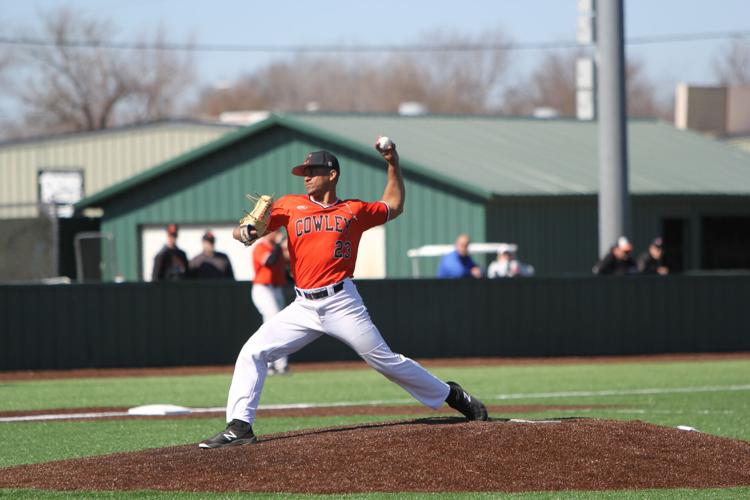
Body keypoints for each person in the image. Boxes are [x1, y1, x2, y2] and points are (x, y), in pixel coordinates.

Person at [199, 141, 488, 449]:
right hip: (303, 305)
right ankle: (240, 426)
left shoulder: (353, 210)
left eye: (313, 171)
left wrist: (393, 164)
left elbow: (394, 204)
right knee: (253, 351)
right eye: (304, 172)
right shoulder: (290, 205)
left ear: (332, 174)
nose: (306, 176)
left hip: (341, 302)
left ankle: (452, 394)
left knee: (385, 362)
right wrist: (245, 232)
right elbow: (243, 232)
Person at [251, 229, 290, 374]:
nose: (277, 233)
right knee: (273, 322)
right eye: (274, 231)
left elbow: (291, 262)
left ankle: (279, 365)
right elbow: (269, 261)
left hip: (277, 289)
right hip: (263, 289)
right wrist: (280, 245)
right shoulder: (261, 247)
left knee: (279, 325)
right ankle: (269, 363)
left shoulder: (278, 249)